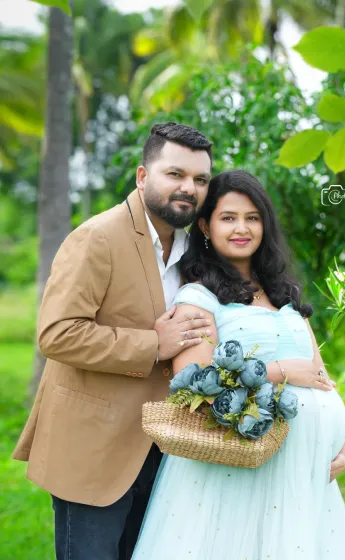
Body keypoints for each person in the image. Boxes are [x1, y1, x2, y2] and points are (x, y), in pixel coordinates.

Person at [132, 170, 345, 560]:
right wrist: (281, 372)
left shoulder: (283, 294)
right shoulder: (198, 297)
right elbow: (196, 389)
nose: (242, 228)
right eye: (228, 217)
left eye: (252, 217)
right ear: (205, 225)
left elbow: (321, 378)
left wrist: (341, 445)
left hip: (301, 476)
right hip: (236, 474)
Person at [12, 122, 214, 560]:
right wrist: (151, 345)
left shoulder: (194, 250)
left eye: (200, 180)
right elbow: (56, 333)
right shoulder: (97, 238)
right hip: (94, 451)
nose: (189, 188)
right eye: (175, 174)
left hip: (163, 453)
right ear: (143, 177)